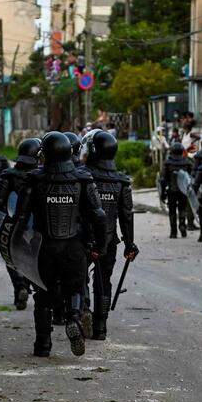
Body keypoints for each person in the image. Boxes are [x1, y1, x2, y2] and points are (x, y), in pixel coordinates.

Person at [13, 132, 107, 357]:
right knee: (75, 287)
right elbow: (99, 215)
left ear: (44, 154)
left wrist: (15, 247)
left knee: (43, 296)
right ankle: (73, 317)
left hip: (43, 248)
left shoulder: (34, 180)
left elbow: (20, 217)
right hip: (73, 246)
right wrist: (100, 246)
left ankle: (43, 345)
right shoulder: (83, 179)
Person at [83, 132, 138, 341]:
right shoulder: (121, 181)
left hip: (84, 239)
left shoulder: (84, 176)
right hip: (109, 240)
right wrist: (130, 243)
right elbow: (126, 216)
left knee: (80, 277)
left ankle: (84, 309)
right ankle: (100, 328)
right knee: (103, 281)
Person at [0, 137, 42, 310]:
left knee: (11, 258)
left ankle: (20, 287)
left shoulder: (8, 175)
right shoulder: (41, 177)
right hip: (37, 229)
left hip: (12, 226)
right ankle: (36, 290)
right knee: (34, 259)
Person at [158, 141, 193, 239]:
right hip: (183, 191)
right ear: (182, 151)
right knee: (182, 209)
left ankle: (173, 232)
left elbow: (163, 180)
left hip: (171, 191)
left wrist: (162, 193)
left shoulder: (168, 163)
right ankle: (182, 226)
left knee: (172, 211)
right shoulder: (187, 162)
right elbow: (191, 177)